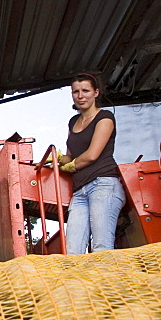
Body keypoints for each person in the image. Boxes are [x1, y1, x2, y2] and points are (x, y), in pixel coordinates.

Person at [58, 73, 126, 254]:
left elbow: (91, 155)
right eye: (76, 92)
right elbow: (71, 156)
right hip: (80, 191)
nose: (80, 96)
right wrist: (57, 159)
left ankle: (107, 282)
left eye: (85, 91)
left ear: (96, 93)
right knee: (73, 251)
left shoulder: (105, 118)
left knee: (101, 247)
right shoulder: (73, 121)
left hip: (103, 185)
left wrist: (72, 166)